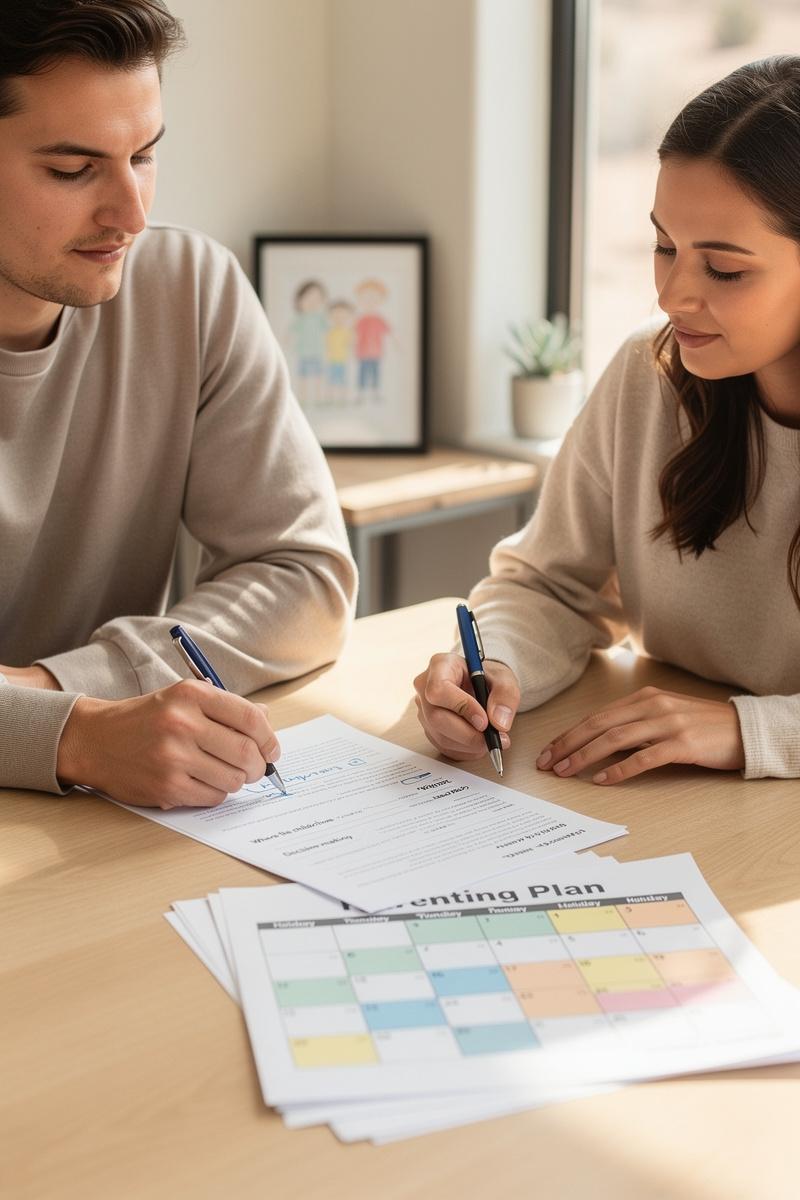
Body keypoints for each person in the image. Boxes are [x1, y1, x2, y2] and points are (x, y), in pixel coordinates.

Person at [0, 0, 357, 807]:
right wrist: (77, 733)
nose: (131, 214)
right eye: (72, 170)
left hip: (107, 833)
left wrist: (61, 685)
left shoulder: (188, 287)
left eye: (145, 155)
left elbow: (305, 579)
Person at [415, 56, 800, 784]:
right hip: (667, 799)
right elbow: (549, 586)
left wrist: (750, 730)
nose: (673, 296)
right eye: (664, 247)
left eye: (723, 270)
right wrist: (494, 662)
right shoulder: (649, 377)